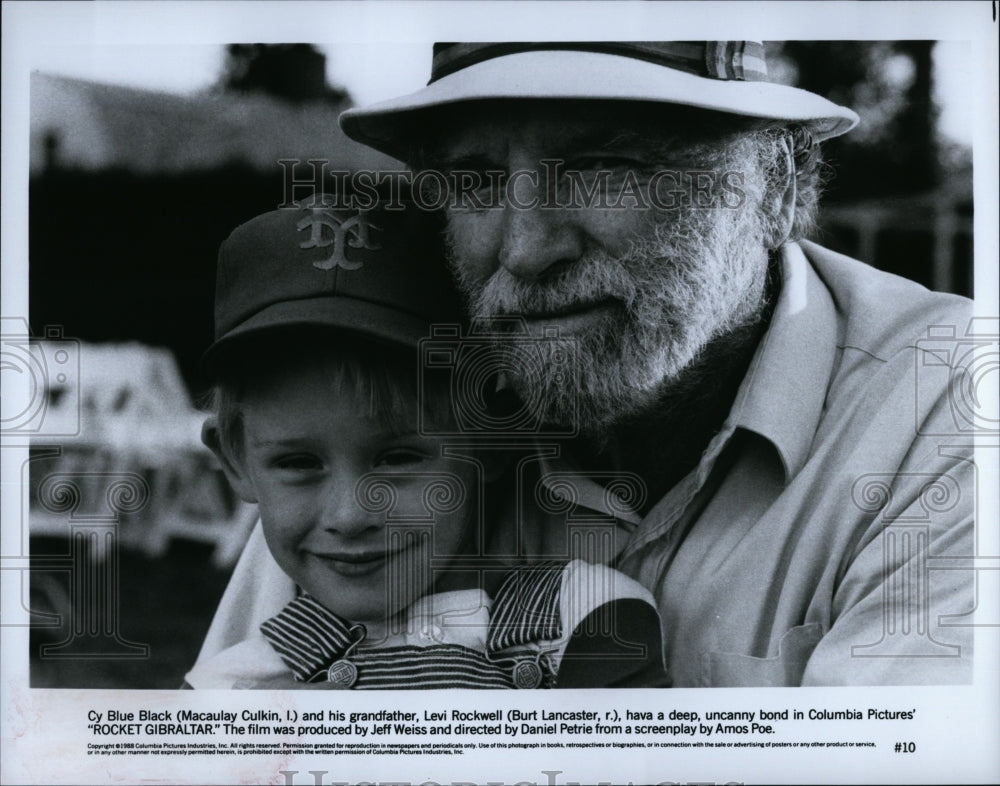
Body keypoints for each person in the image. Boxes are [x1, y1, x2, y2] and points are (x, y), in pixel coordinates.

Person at [204, 41, 975, 686]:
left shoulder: (945, 411)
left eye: (603, 168)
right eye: (475, 181)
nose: (527, 250)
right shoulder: (408, 404)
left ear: (773, 187)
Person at [185, 199, 668, 689]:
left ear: (494, 439)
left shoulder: (585, 624)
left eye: (397, 458)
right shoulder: (230, 686)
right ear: (234, 460)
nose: (350, 516)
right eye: (298, 463)